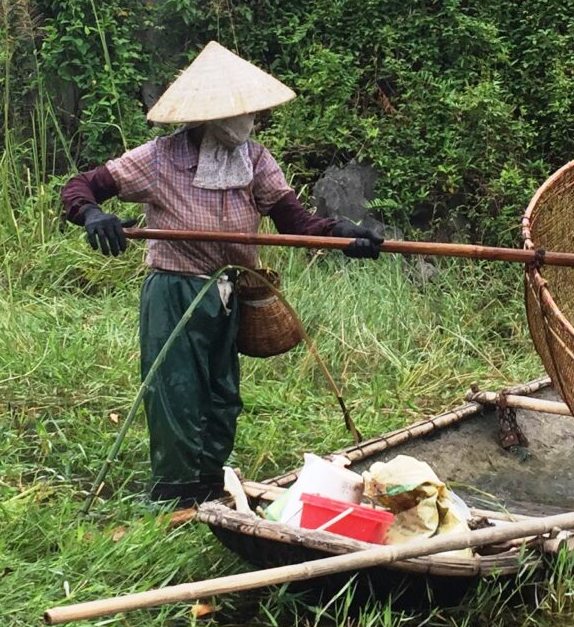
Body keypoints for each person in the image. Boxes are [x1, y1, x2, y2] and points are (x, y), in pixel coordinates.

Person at [60, 41, 383, 507]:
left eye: (250, 114)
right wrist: (92, 215)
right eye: (236, 114)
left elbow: (295, 222)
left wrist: (342, 236)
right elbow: (82, 186)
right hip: (175, 289)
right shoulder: (158, 159)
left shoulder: (253, 159)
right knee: (176, 390)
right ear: (208, 116)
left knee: (221, 394)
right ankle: (173, 495)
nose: (245, 123)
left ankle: (209, 485)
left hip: (229, 292)